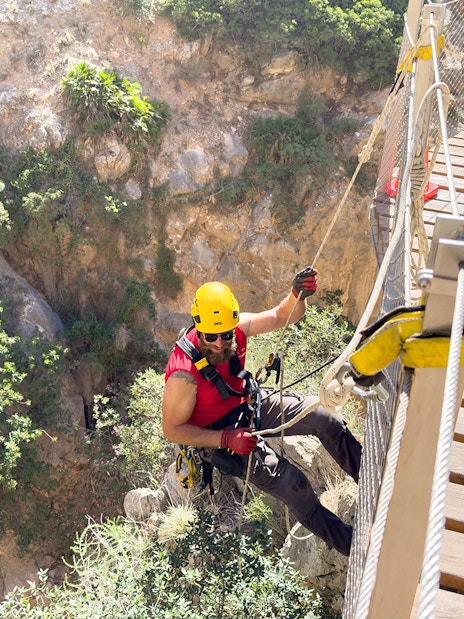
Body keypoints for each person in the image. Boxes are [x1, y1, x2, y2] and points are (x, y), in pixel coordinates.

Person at [162, 267, 362, 556]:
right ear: (197, 329)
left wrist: (298, 294)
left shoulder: (239, 329)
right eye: (210, 337)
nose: (219, 343)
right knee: (296, 487)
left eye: (225, 335)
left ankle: (373, 484)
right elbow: (172, 429)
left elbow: (284, 316)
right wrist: (227, 440)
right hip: (221, 434)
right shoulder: (183, 373)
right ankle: (353, 546)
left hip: (250, 404)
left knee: (326, 419)